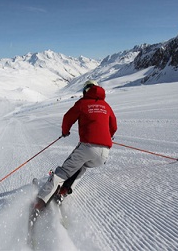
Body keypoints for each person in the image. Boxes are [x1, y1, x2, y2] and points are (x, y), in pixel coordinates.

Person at [32, 80, 117, 215]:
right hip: (104, 153)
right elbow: (113, 127)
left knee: (63, 172)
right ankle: (63, 192)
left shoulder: (83, 103)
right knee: (81, 167)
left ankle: (38, 204)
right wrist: (107, 137)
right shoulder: (106, 106)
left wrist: (65, 131)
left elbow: (68, 118)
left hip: (88, 146)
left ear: (86, 91)